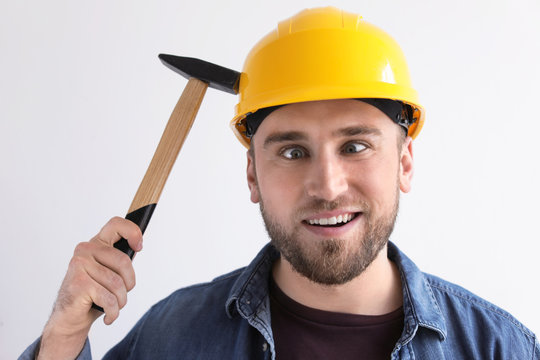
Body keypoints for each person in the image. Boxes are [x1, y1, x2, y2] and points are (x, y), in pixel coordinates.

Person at [21, 7, 539, 360]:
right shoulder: (174, 335)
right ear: (252, 173)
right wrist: (64, 336)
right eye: (292, 151)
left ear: (405, 162)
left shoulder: (498, 347)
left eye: (355, 146)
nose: (327, 184)